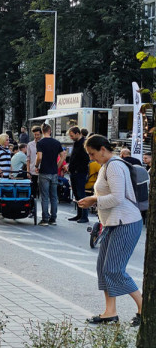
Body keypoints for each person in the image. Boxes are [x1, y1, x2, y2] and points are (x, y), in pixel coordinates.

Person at [78, 135, 143, 327]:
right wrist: (94, 199)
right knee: (103, 269)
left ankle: (144, 307)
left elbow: (117, 198)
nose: (91, 158)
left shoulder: (114, 166)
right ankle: (110, 312)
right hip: (113, 223)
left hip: (126, 222)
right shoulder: (107, 166)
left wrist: (93, 200)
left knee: (113, 269)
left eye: (92, 153)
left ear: (103, 150)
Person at [35, 123, 66, 226]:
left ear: (42, 131)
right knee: (54, 196)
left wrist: (36, 165)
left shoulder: (40, 143)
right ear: (50, 131)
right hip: (54, 172)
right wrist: (57, 166)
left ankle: (45, 219)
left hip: (44, 171)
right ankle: (53, 218)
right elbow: (62, 156)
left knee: (45, 197)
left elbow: (39, 157)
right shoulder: (56, 142)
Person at [65, 126, 90, 223]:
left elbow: (85, 159)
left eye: (72, 135)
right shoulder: (76, 143)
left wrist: (76, 168)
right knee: (76, 194)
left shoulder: (84, 144)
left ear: (77, 133)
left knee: (81, 194)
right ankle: (79, 214)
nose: (71, 137)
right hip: (73, 172)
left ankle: (84, 215)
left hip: (80, 172)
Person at [26, 126, 42, 198]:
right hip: (32, 169)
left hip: (42, 169)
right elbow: (28, 158)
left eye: (38, 135)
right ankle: (33, 202)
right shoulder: (30, 144)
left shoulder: (43, 143)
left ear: (41, 134)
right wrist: (28, 170)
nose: (36, 136)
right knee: (33, 188)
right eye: (35, 135)